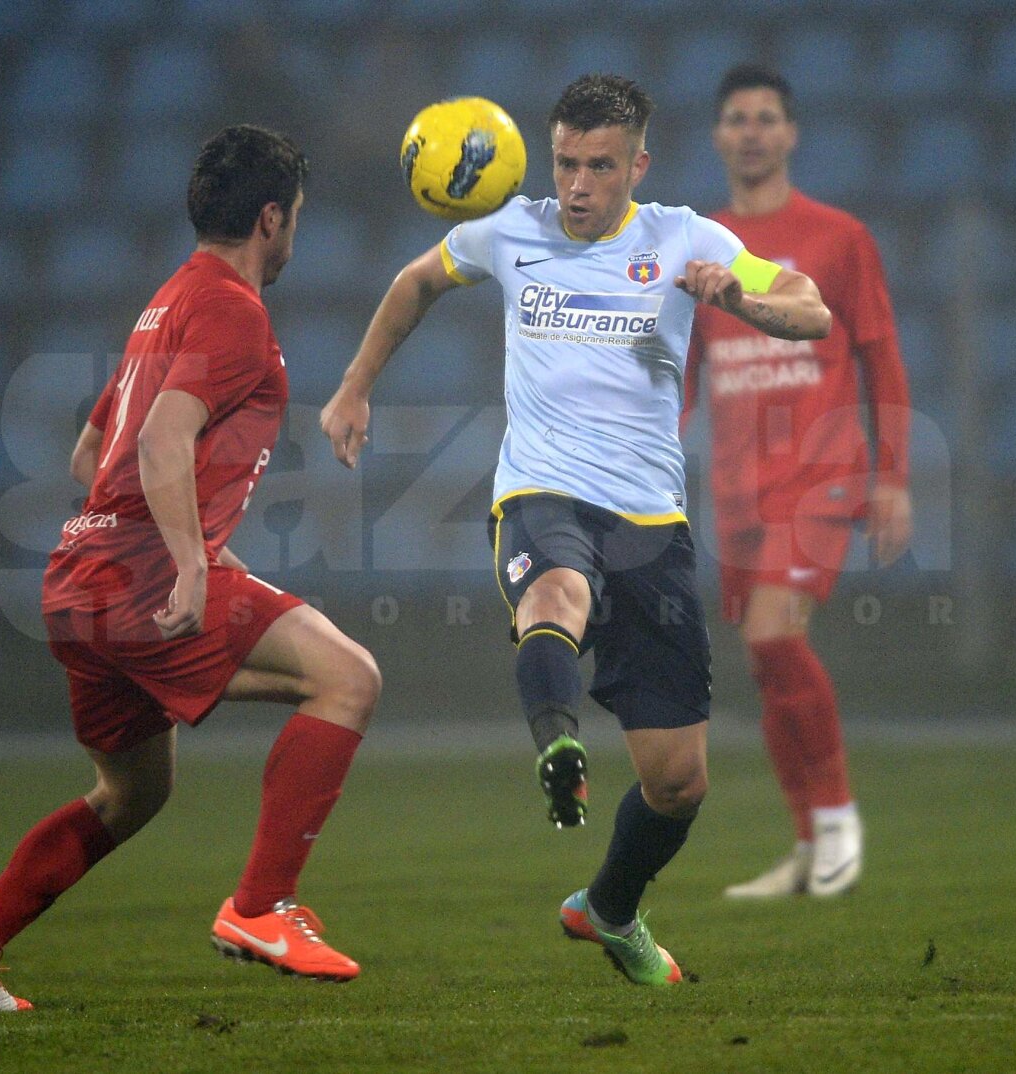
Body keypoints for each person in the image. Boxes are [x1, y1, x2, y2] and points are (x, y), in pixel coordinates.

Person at [322, 74, 830, 986]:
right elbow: (416, 281)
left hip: (651, 524)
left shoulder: (686, 238)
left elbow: (810, 307)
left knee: (678, 784)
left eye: (600, 166)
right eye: (565, 164)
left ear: (639, 166)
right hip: (542, 493)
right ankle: (559, 747)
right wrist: (355, 386)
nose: (578, 185)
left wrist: (739, 299)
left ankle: (608, 909)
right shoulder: (510, 230)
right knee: (557, 592)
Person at [0, 125, 381, 1012]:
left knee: (131, 794)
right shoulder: (233, 310)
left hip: (79, 580)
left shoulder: (167, 302)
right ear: (271, 218)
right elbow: (162, 441)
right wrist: (191, 563)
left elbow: (92, 454)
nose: (295, 233)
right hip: (140, 578)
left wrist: (193, 541)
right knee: (348, 679)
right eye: (296, 217)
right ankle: (260, 908)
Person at [683, 64, 912, 899]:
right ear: (718, 136)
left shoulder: (838, 237)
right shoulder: (700, 245)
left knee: (776, 639)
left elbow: (880, 355)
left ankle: (839, 817)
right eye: (737, 118)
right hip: (737, 489)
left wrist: (893, 476)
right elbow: (680, 374)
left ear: (791, 133)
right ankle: (810, 845)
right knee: (765, 662)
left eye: (766, 117)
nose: (751, 131)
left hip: (820, 474)